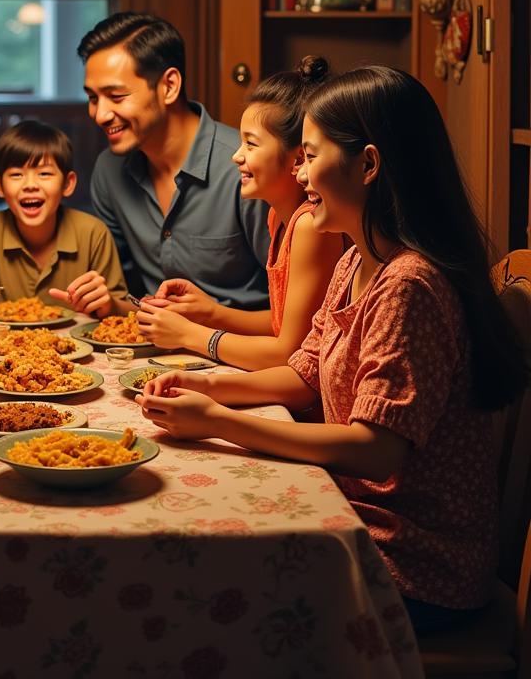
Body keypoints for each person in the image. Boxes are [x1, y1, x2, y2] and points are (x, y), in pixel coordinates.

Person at [136, 66, 529, 635]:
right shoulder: (354, 259)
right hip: (357, 518)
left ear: (368, 165)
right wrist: (204, 385)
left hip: (417, 567)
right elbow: (304, 374)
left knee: (199, 586)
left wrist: (221, 422)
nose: (299, 171)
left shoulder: (409, 285)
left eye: (310, 155)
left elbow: (376, 449)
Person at [136, 56, 345, 369]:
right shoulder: (278, 218)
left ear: (297, 158)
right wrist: (208, 311)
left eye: (251, 144)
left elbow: (288, 353)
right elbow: (283, 323)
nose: (236, 156)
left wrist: (189, 335)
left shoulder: (310, 226)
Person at [78, 11, 270, 307]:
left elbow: (297, 313)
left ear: (169, 86)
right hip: (154, 346)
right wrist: (106, 301)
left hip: (245, 349)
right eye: (93, 98)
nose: (100, 115)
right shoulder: (109, 171)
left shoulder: (242, 164)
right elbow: (126, 293)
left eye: (116, 96)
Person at [0, 120, 131, 317]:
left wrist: (109, 304)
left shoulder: (93, 233)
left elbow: (121, 309)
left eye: (44, 173)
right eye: (17, 175)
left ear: (68, 184)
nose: (30, 185)